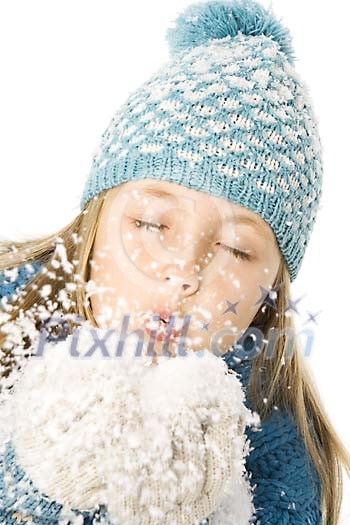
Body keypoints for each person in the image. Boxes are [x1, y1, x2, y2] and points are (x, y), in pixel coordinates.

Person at [0, 0, 349, 523]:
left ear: (268, 292)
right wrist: (42, 483)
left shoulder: (286, 474)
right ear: (94, 226)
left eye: (236, 250)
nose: (183, 273)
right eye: (151, 225)